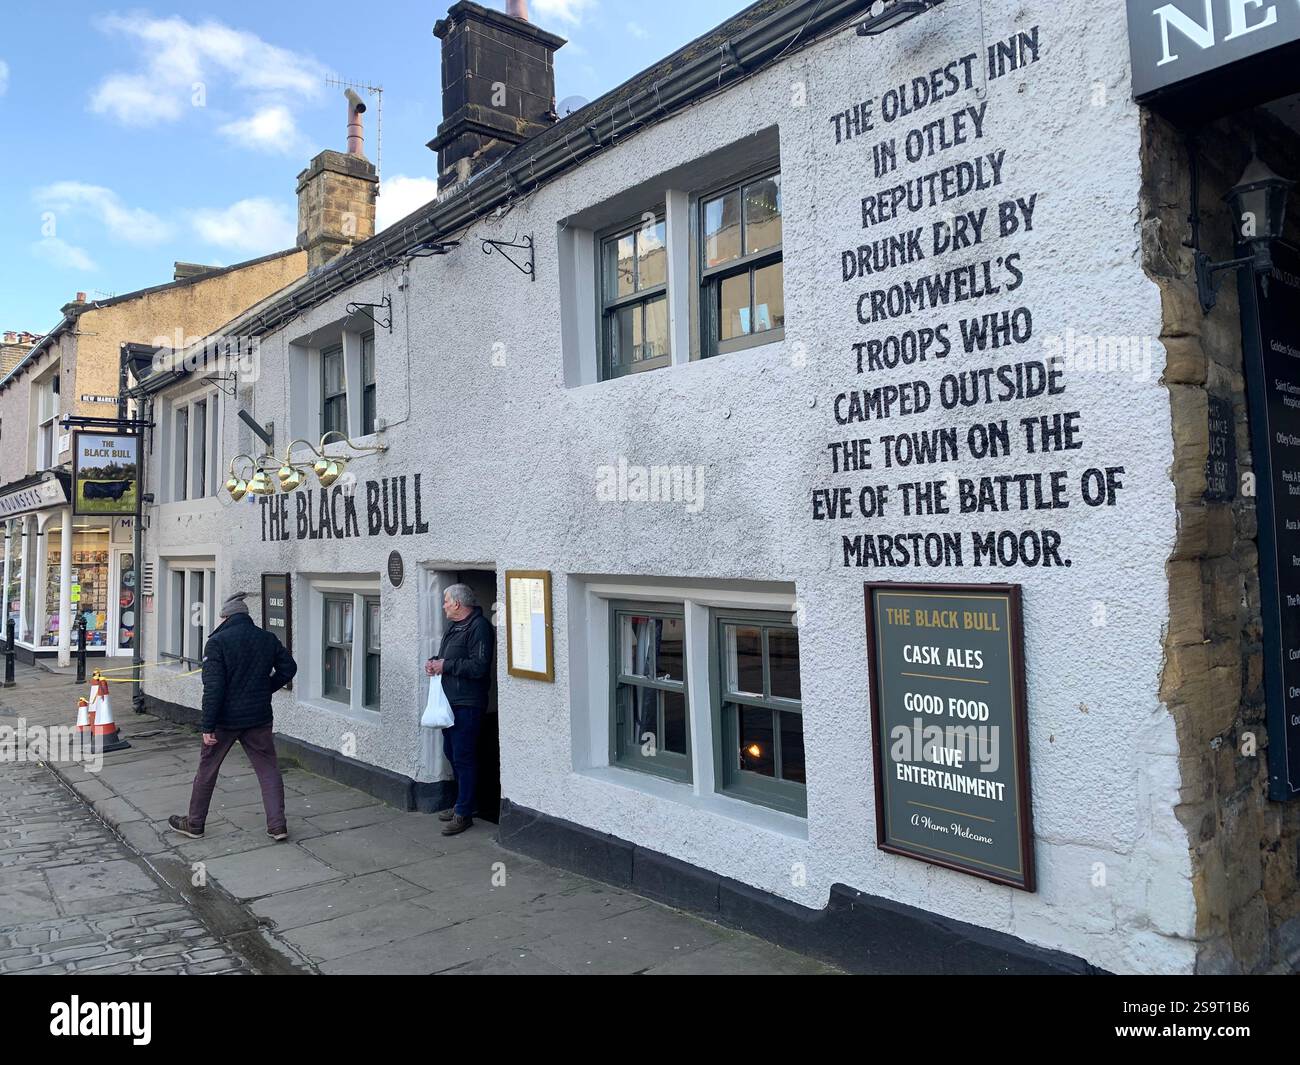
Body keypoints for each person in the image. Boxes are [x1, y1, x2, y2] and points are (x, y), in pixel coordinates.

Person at [169, 591, 297, 841]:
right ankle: (277, 825)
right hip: (258, 717)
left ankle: (194, 823)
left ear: (226, 617)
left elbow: (214, 688)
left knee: (208, 769)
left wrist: (207, 726)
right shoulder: (266, 638)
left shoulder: (217, 643)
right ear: (245, 617)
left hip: (224, 721)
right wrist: (266, 688)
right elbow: (288, 668)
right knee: (268, 769)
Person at [426, 584, 494, 836]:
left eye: (446, 601)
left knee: (464, 755)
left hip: (468, 703)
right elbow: (451, 658)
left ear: (457, 603)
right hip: (450, 702)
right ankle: (463, 803)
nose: (443, 605)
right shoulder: (454, 627)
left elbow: (479, 666)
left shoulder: (479, 627)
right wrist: (435, 662)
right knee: (450, 751)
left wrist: (447, 665)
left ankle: (464, 812)